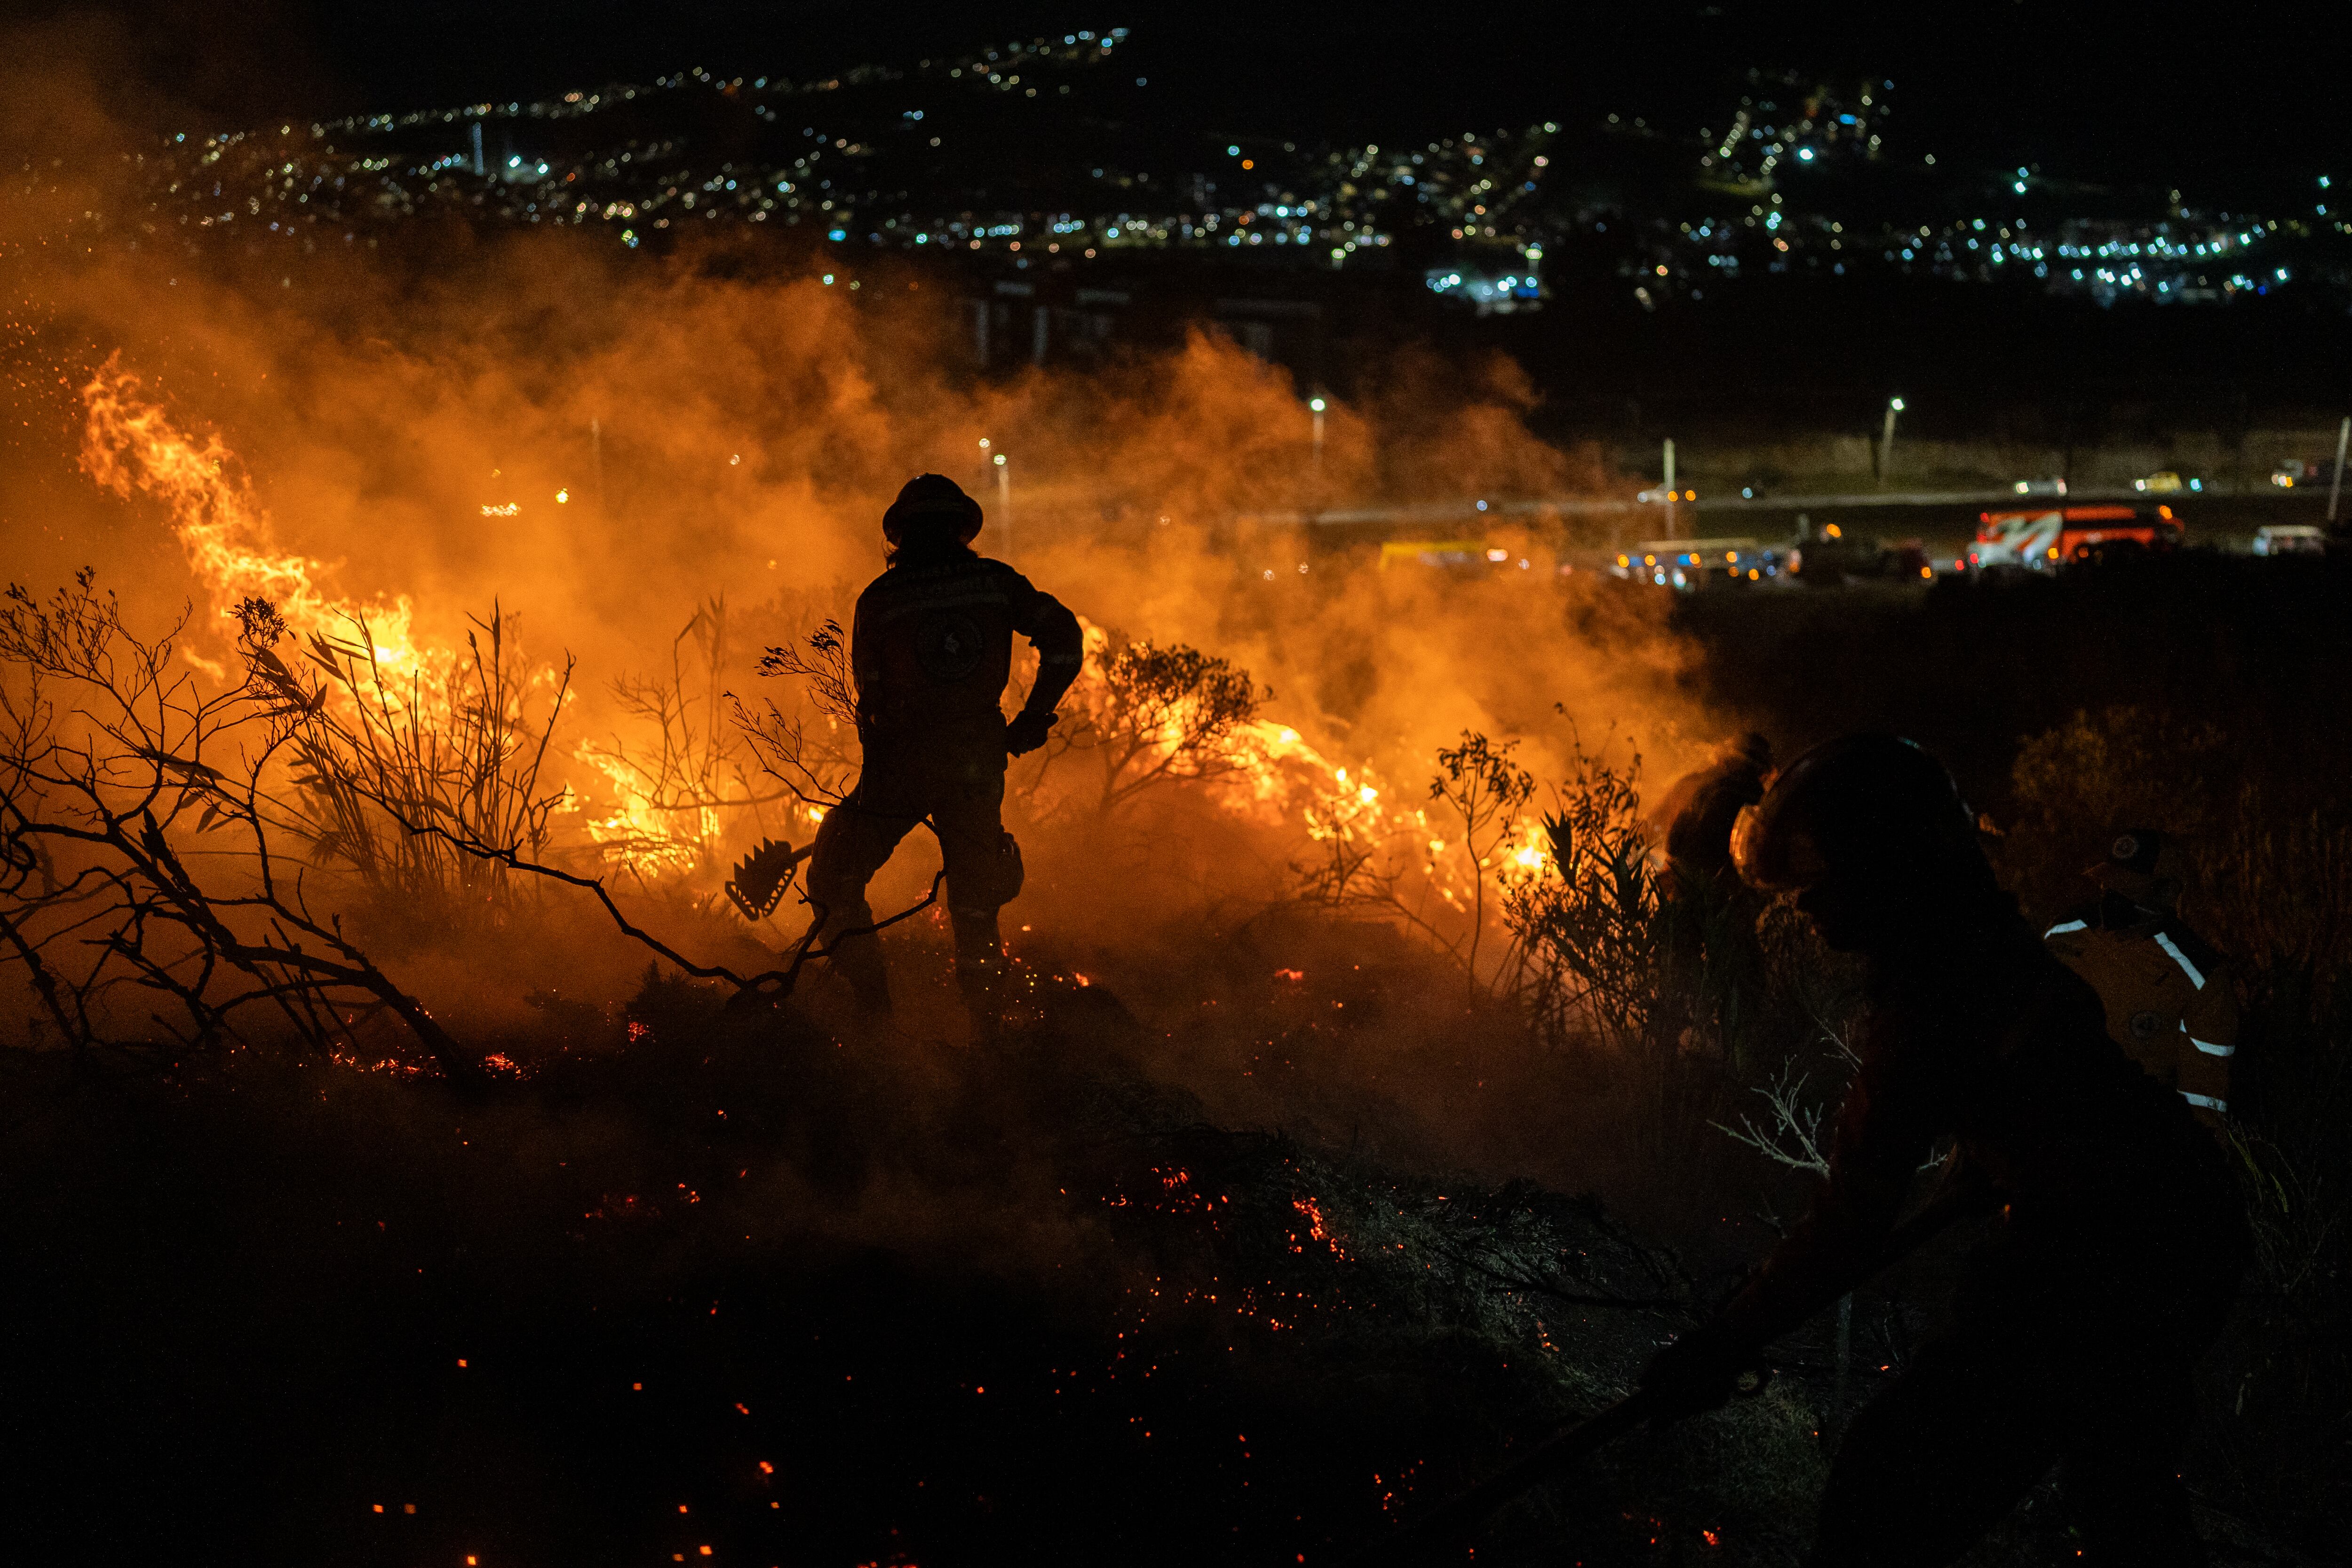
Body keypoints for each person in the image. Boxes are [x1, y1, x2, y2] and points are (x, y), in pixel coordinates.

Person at [1639, 735, 2248, 1567]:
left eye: (1822, 888)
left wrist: (1722, 1343)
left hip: (2106, 1261)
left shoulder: (1931, 1006)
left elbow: (1850, 1222)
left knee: (1881, 1502)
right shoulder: (1985, 942)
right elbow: (2039, 1098)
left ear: (1884, 870)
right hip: (2182, 1225)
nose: (1808, 910)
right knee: (2124, 1496)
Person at [804, 474, 1084, 1024]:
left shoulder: (881, 600)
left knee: (833, 876)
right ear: (962, 529)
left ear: (899, 536)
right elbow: (1064, 637)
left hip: (900, 769)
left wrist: (882, 787)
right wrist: (1033, 716)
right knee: (975, 906)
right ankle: (987, 1035)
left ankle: (873, 1014)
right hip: (976, 765)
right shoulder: (993, 583)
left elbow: (872, 699)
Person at [2043, 829, 2237, 1130]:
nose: (2111, 896)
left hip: (2127, 1142)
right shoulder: (2064, 932)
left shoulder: (2201, 977)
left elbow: (2204, 1102)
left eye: (2128, 889)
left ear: (2169, 893)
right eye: (2108, 882)